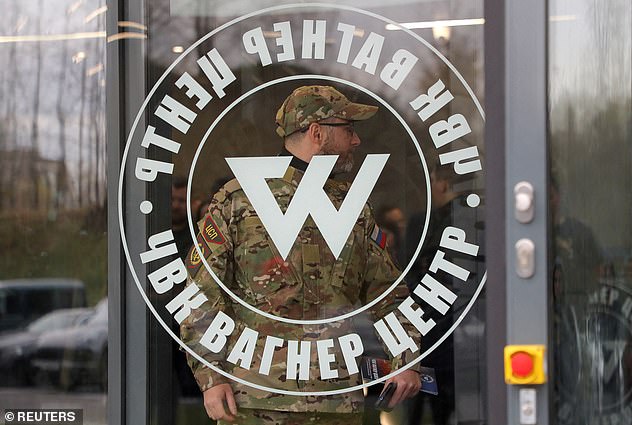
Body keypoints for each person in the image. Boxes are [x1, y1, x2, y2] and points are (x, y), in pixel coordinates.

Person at [181, 85, 422, 424]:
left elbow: (386, 293)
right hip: (254, 401)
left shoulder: (351, 206)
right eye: (348, 129)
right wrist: (211, 377)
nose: (356, 141)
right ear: (317, 132)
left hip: (337, 402)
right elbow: (200, 296)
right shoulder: (238, 200)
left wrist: (406, 359)